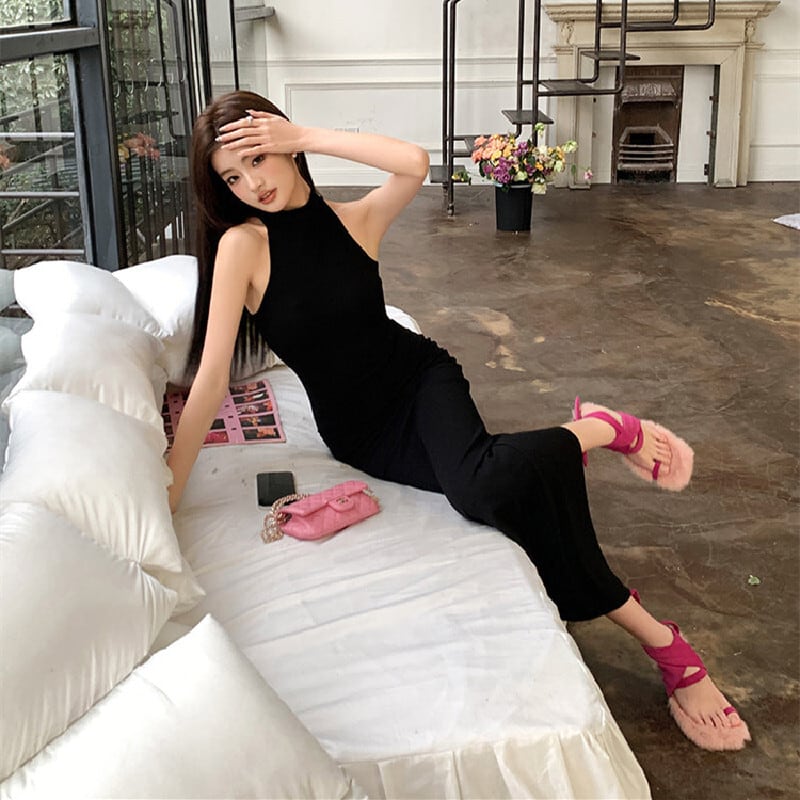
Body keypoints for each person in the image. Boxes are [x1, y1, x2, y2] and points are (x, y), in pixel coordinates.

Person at [167, 90, 750, 752]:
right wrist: (170, 490)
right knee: (498, 485)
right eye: (231, 178)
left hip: (420, 381)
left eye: (258, 160)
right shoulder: (243, 246)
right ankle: (589, 433)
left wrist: (303, 135)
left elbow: (413, 163)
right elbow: (210, 380)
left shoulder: (354, 220)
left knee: (481, 487)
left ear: (286, 146)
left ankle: (657, 626)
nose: (252, 186)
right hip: (360, 435)